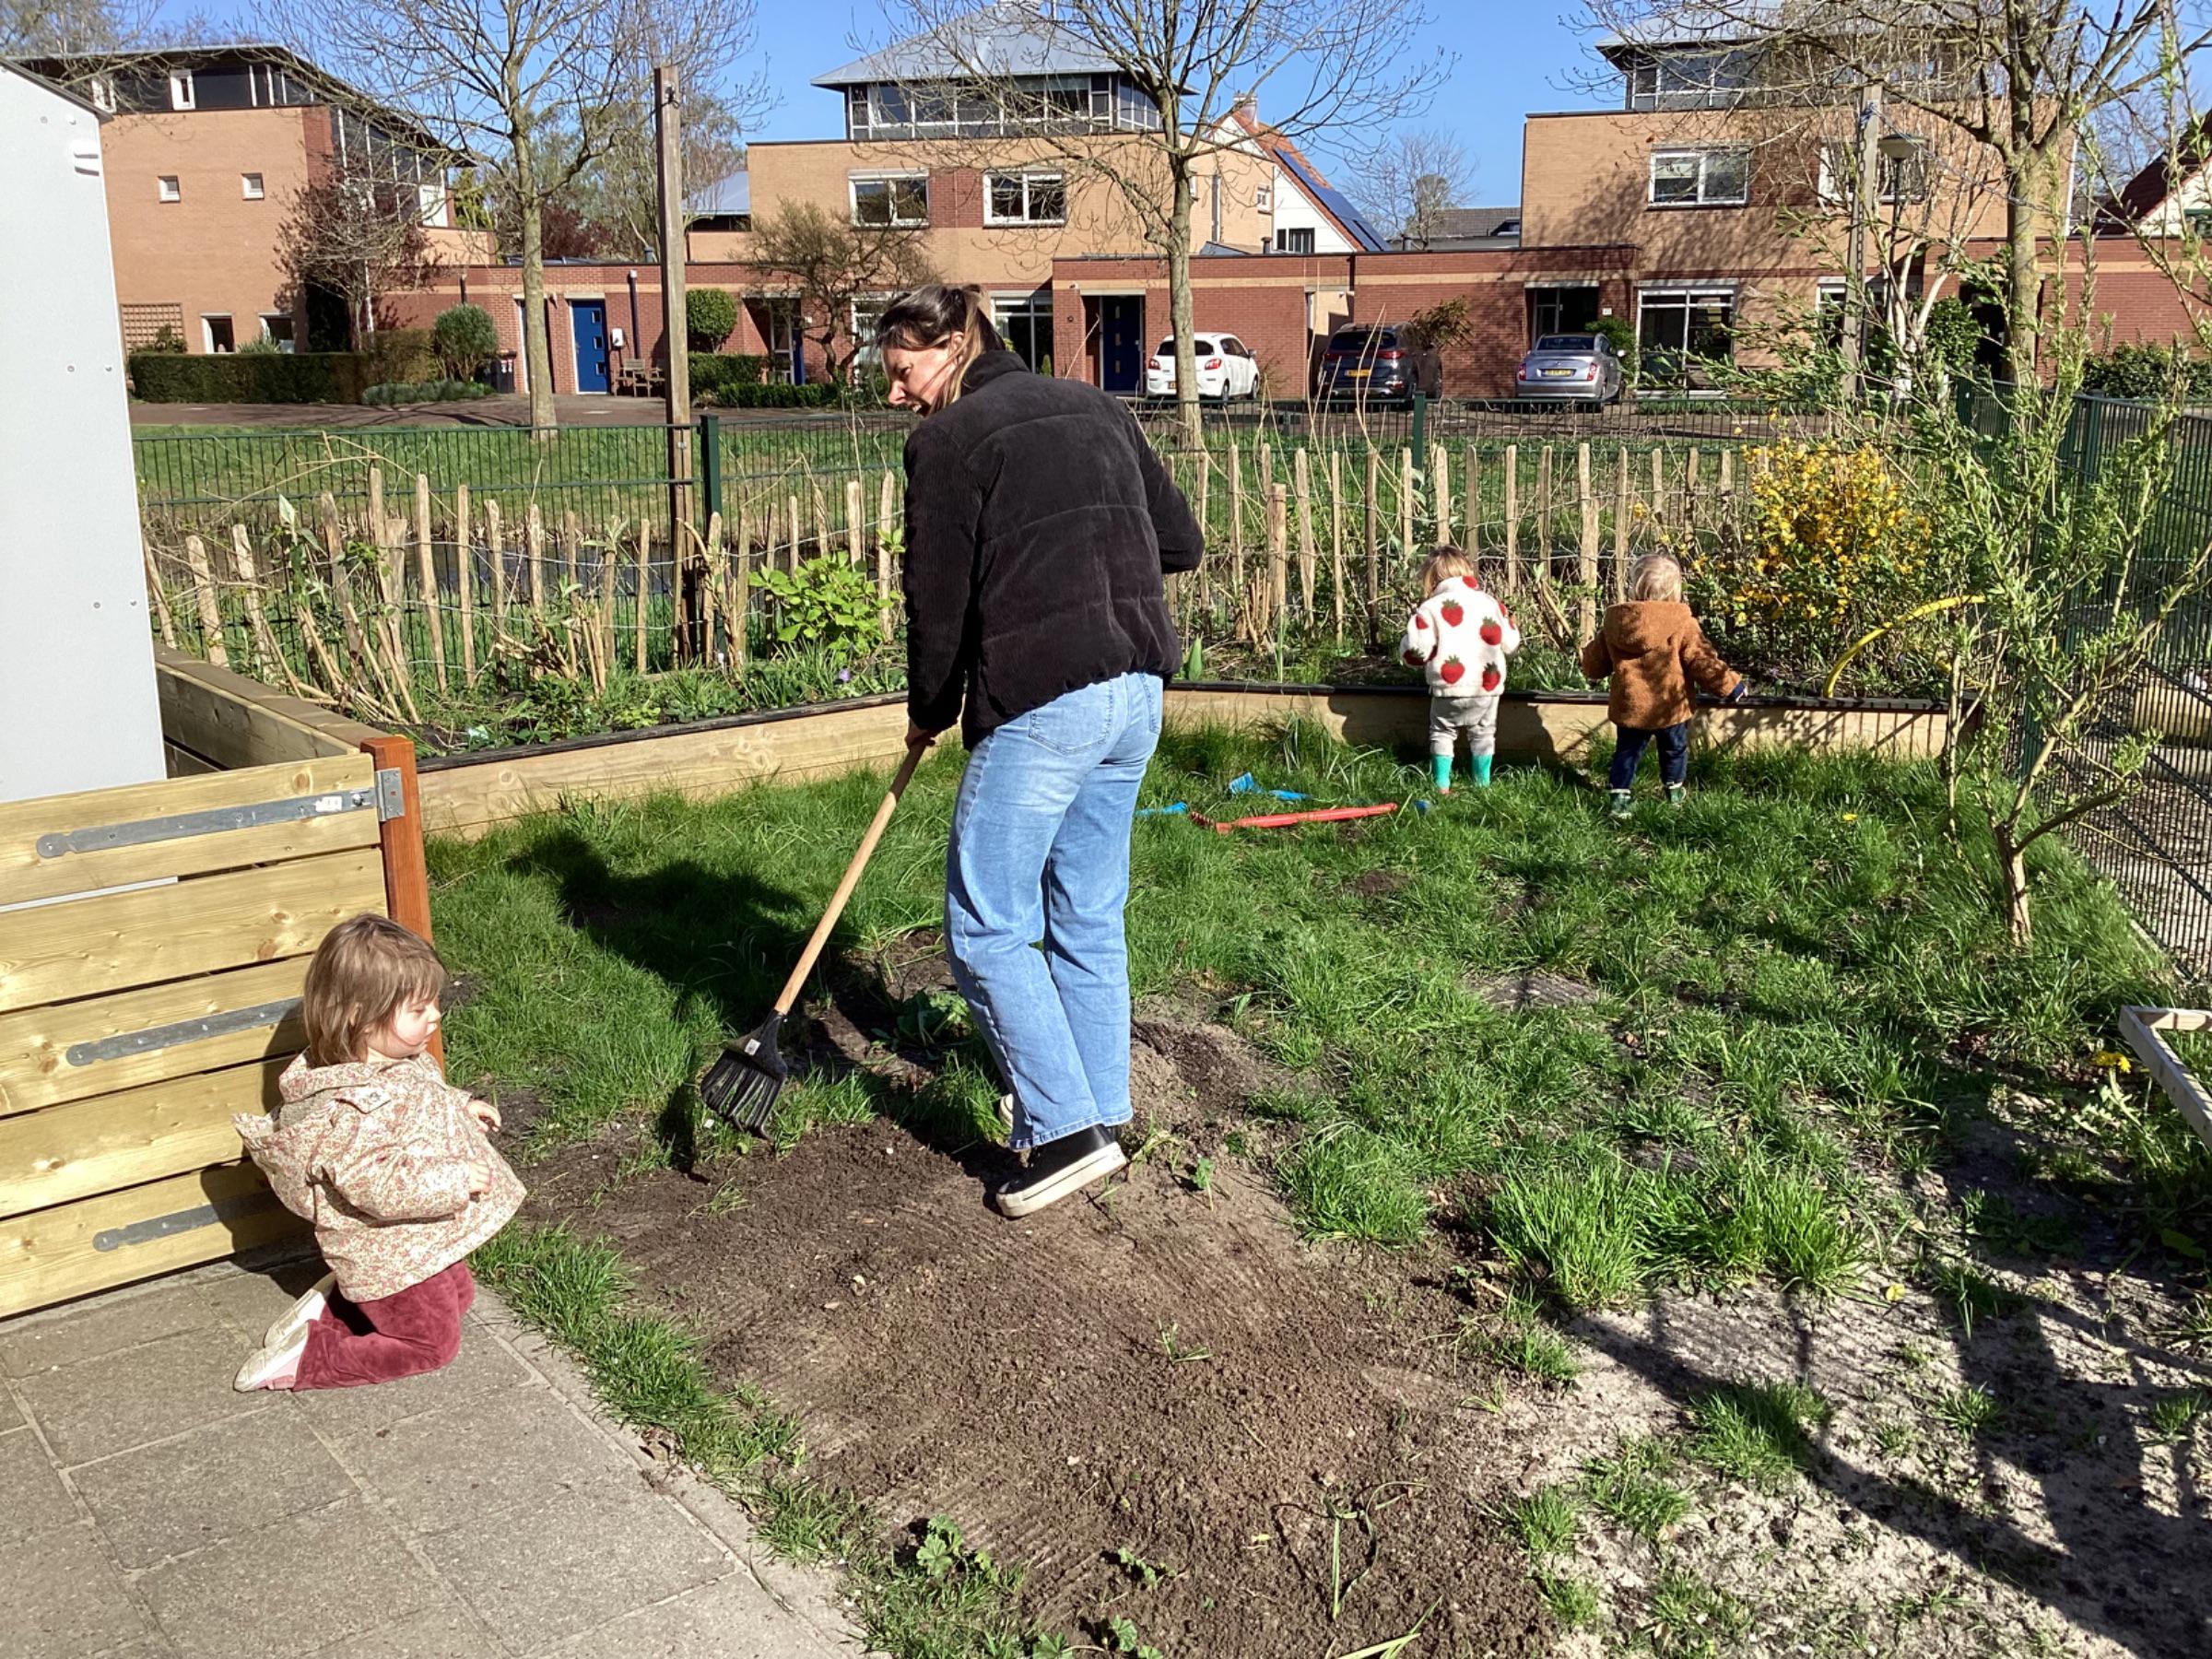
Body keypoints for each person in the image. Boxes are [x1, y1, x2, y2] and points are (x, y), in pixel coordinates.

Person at [878, 283, 1203, 1218]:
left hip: (1049, 701)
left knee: (984, 923)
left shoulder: (947, 444)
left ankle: (1060, 1133)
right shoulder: (1098, 406)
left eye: (903, 373)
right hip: (1138, 690)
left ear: (954, 344)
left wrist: (930, 710)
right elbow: (1178, 542)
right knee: (1087, 914)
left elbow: (936, 600)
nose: (897, 395)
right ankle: (1102, 1111)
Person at [230, 914, 524, 1390]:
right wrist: (453, 1180)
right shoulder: (354, 1109)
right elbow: (378, 1184)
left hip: (416, 1240)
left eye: (433, 1002)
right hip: (385, 1252)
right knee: (431, 1344)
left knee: (461, 1295)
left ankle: (337, 1309)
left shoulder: (395, 1061)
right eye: (418, 1009)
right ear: (360, 1017)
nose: (435, 1016)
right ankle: (310, 1358)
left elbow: (420, 1100)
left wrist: (460, 1106)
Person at [1579, 552, 1745, 818]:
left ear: (1634, 586)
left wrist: (1587, 665)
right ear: (1675, 590)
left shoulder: (1617, 622)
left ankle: (1619, 800)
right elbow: (1701, 660)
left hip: (1631, 706)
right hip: (1671, 708)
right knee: (1674, 749)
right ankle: (1674, 793)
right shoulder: (1682, 622)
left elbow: (1596, 662)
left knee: (1627, 752)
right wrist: (1730, 686)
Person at [1397, 547, 1520, 793]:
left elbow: (1417, 650)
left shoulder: (1430, 608)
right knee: (1484, 733)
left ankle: (1442, 784)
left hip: (1448, 687)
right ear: (1467, 570)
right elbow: (1510, 643)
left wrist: (1404, 651)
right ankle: (1482, 785)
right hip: (1487, 686)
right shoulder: (1490, 604)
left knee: (1442, 732)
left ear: (1431, 578)